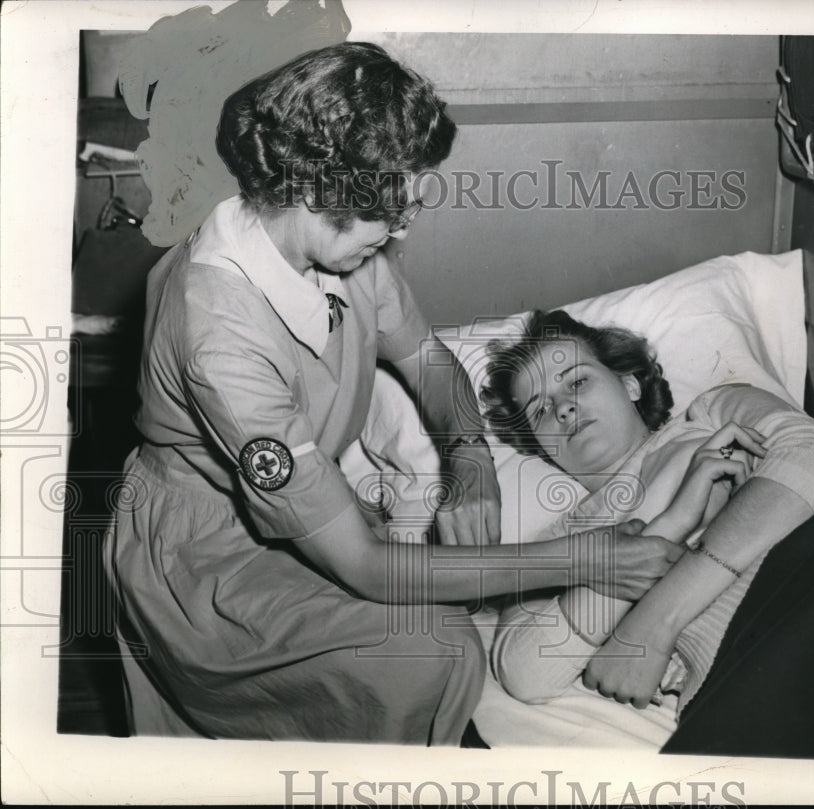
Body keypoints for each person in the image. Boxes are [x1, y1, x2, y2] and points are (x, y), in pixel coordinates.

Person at [103, 44, 675, 745]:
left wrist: (472, 459)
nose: (403, 232)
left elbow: (430, 361)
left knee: (435, 641)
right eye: (392, 214)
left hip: (302, 518)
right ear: (318, 190)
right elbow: (367, 566)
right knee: (427, 651)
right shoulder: (219, 328)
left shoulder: (340, 249)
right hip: (203, 551)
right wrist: (591, 556)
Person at [480, 309, 814, 722]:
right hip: (763, 682)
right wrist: (672, 522)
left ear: (630, 384)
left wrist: (652, 622)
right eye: (541, 410)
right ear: (540, 445)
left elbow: (813, 455)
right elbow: (523, 672)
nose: (564, 408)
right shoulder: (556, 545)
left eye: (578, 382)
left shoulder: (710, 413)